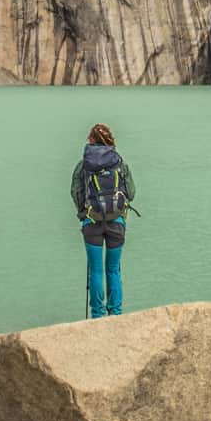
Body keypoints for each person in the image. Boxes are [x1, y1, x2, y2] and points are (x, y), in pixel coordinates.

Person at [72, 122, 135, 318]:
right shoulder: (120, 163)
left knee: (96, 271)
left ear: (91, 140)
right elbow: (131, 193)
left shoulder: (83, 165)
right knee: (113, 270)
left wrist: (83, 212)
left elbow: (76, 192)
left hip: (92, 222)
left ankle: (98, 315)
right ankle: (115, 314)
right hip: (117, 221)